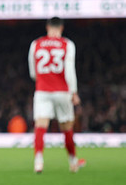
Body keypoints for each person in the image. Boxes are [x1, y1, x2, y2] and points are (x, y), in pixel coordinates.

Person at [28, 17, 85, 173]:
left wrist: (43, 80)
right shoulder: (67, 44)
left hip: (42, 90)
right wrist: (73, 92)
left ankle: (38, 161)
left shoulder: (36, 44)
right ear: (61, 28)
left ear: (47, 27)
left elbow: (33, 72)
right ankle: (73, 162)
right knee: (66, 127)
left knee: (40, 125)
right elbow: (69, 70)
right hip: (62, 90)